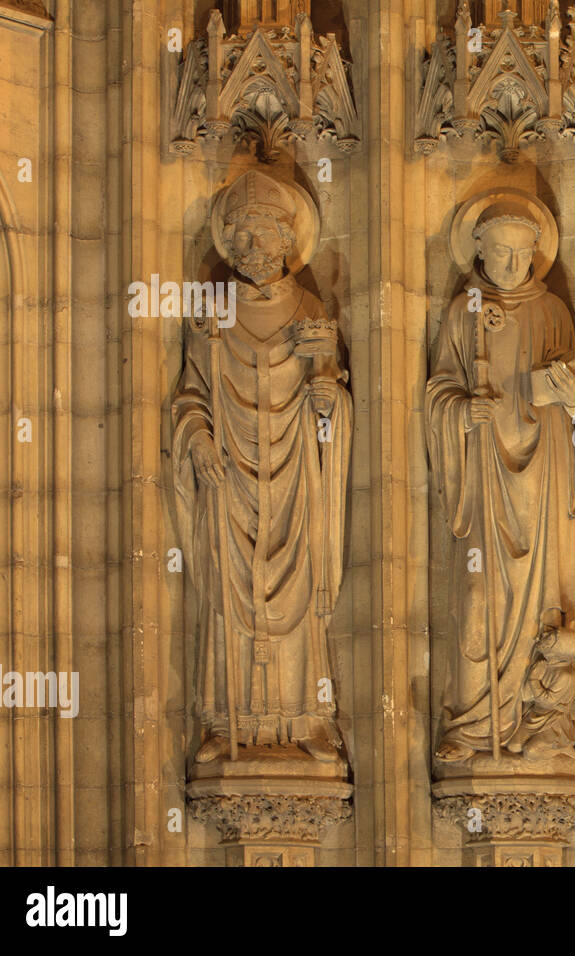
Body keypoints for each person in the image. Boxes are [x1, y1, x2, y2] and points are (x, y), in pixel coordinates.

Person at [173, 169, 350, 764]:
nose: (252, 247)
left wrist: (328, 402)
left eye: (264, 233)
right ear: (227, 242)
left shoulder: (309, 310)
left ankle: (307, 719)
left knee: (295, 594)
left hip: (296, 474)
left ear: (287, 239)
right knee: (231, 594)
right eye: (241, 236)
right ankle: (226, 723)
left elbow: (332, 401)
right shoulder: (212, 314)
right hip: (231, 474)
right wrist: (198, 439)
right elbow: (191, 395)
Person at [427, 191, 575, 763]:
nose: (511, 263)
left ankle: (546, 721)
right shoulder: (463, 312)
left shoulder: (553, 312)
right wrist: (459, 410)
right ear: (478, 249)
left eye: (522, 254)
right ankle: (475, 723)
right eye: (500, 252)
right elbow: (438, 390)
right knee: (479, 599)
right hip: (485, 479)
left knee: (550, 601)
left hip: (544, 478)